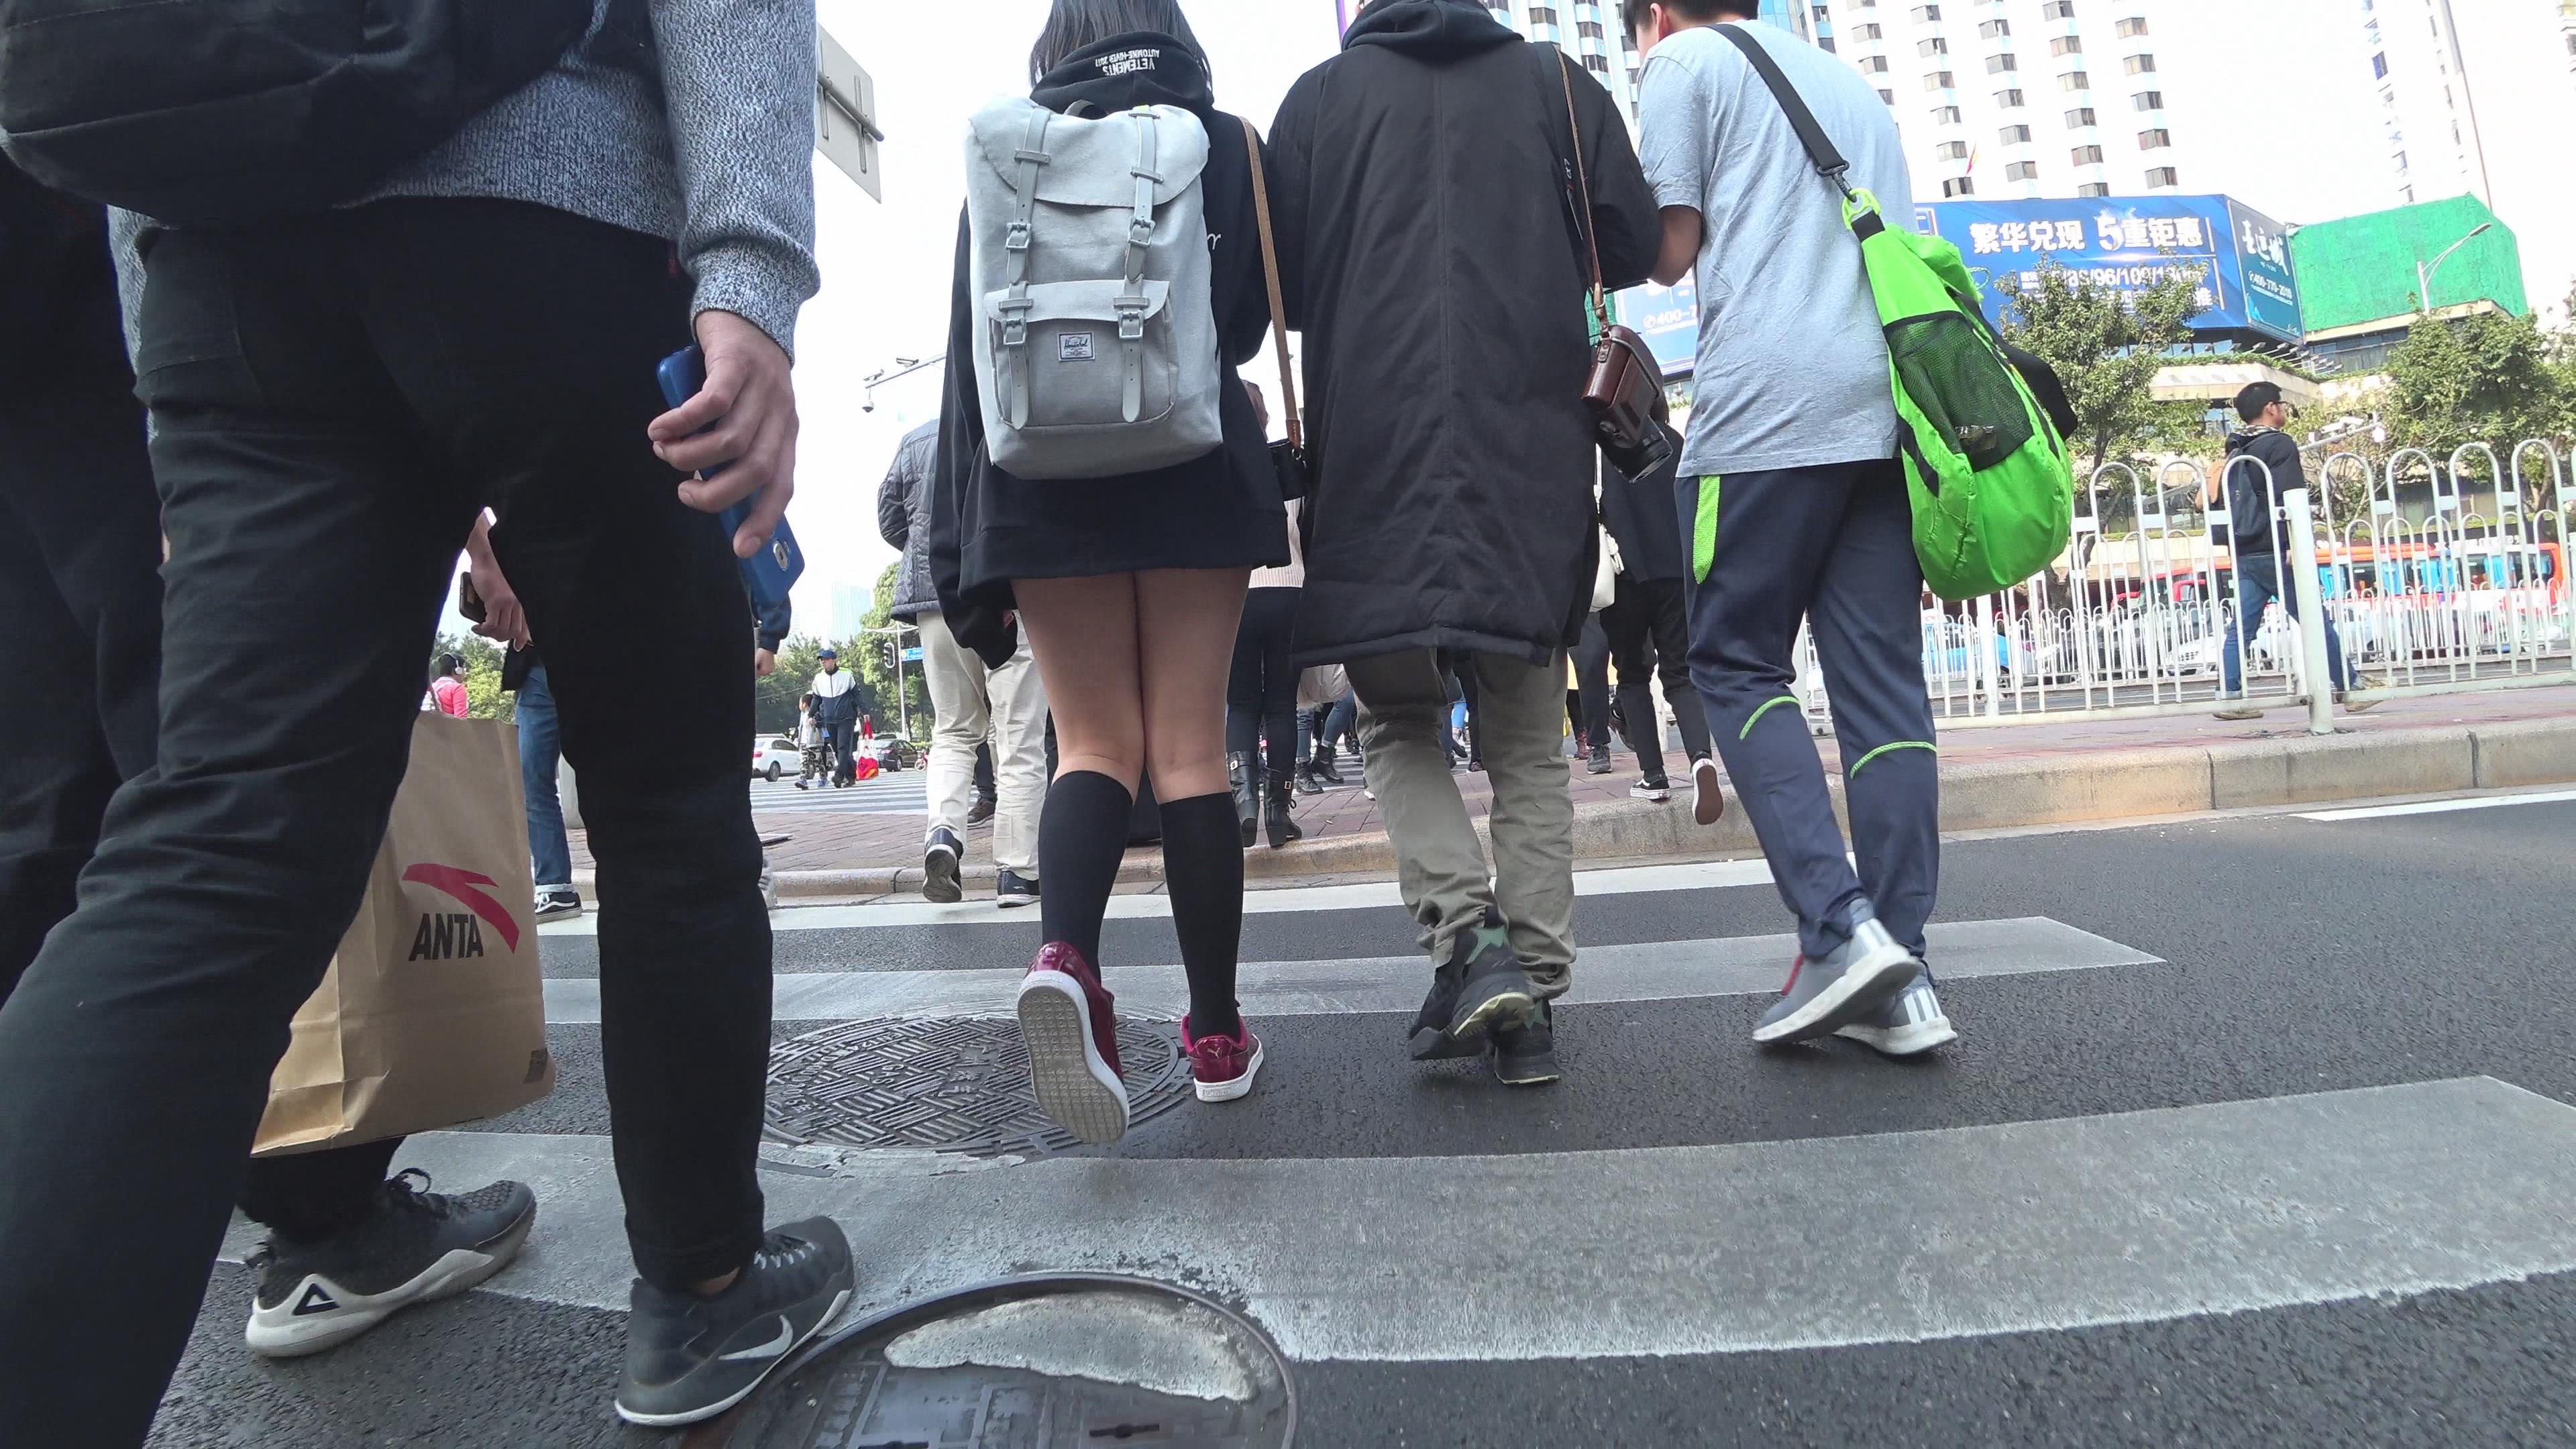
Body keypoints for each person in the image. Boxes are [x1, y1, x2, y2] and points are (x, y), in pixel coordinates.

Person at [0, 3, 855, 1440]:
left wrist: (166, 381)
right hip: (553, 207)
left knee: (211, 855)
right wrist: (749, 275)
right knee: (665, 807)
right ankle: (703, 1292)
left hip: (227, 256)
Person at [0, 158, 547, 1400]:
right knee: (229, 830)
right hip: (120, 263)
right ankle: (326, 1218)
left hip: (38, 312)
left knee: (49, 803)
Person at [1270, 0, 1660, 1085]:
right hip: (1527, 458)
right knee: (1528, 741)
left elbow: (1279, 291)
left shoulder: (1320, 102)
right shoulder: (1556, 86)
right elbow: (1631, 242)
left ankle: (1470, 941)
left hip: (1374, 460)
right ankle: (1530, 992)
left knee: (1397, 720)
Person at [931, 0, 1279, 1140]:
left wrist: (960, 558)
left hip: (1044, 474)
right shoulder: (1224, 142)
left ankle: (1068, 961)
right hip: (1193, 459)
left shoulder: (1008, 152)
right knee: (1188, 751)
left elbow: (971, 362)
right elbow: (1243, 325)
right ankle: (1216, 1036)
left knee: (1091, 745)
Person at [1631, 0, 1953, 1056]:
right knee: (1882, 687)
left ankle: (1839, 929)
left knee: (1733, 663)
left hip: (1766, 414)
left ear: (1656, 13)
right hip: (1882, 411)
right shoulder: (1854, 89)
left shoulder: (1683, 61)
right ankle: (1902, 973)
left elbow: (1669, 250)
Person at [882, 417, 1050, 906]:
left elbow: (891, 520)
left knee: (953, 730)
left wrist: (933, 557)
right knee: (1018, 736)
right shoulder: (1013, 417)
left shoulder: (914, 440)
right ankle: (1017, 872)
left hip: (935, 599)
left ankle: (943, 834)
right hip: (1008, 592)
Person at [2213, 381, 2377, 721]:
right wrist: (2293, 544)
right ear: (2271, 408)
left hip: (2245, 550)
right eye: (2282, 405)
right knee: (2315, 619)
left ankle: (2231, 697)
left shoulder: (2237, 447)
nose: (2284, 411)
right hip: (2277, 549)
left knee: (2242, 629)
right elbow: (2289, 497)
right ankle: (2351, 687)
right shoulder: (2280, 444)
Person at [1597, 409, 1726, 821]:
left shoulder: (1598, 448)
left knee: (1632, 675)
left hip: (1622, 576)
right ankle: (1701, 760)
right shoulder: (1671, 440)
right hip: (1675, 573)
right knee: (1681, 672)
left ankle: (1653, 776)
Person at [1230, 486, 1307, 850]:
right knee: (1282, 705)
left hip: (1235, 591)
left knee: (1241, 705)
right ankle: (1278, 812)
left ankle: (1244, 803)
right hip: (1290, 589)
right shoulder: (1288, 472)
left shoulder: (1223, 464)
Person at [808, 645, 862, 788]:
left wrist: (865, 711)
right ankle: (850, 776)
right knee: (837, 749)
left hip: (846, 718)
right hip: (830, 719)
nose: (823, 662)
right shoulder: (819, 678)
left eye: (826, 659)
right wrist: (811, 715)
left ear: (834, 660)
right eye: (821, 659)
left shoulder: (846, 675)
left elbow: (856, 695)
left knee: (843, 747)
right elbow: (816, 699)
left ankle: (839, 775)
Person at [425, 653, 470, 718]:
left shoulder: (431, 687)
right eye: (464, 668)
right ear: (458, 670)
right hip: (447, 724)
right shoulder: (457, 688)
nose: (465, 671)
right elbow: (461, 719)